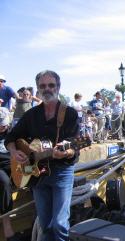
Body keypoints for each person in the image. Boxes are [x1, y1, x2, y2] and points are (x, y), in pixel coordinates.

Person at [5, 70, 79, 241]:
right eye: (43, 86)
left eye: (51, 85)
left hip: (61, 172)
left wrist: (66, 152)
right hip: (36, 174)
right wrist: (15, 151)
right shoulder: (31, 115)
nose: (47, 89)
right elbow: (11, 138)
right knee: (45, 224)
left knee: (59, 224)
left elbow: (74, 146)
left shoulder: (69, 114)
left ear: (58, 87)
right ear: (38, 89)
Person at [0, 108, 22, 241]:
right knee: (3, 181)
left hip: (12, 164)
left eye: (3, 123)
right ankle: (6, 223)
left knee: (33, 173)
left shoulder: (12, 133)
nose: (2, 126)